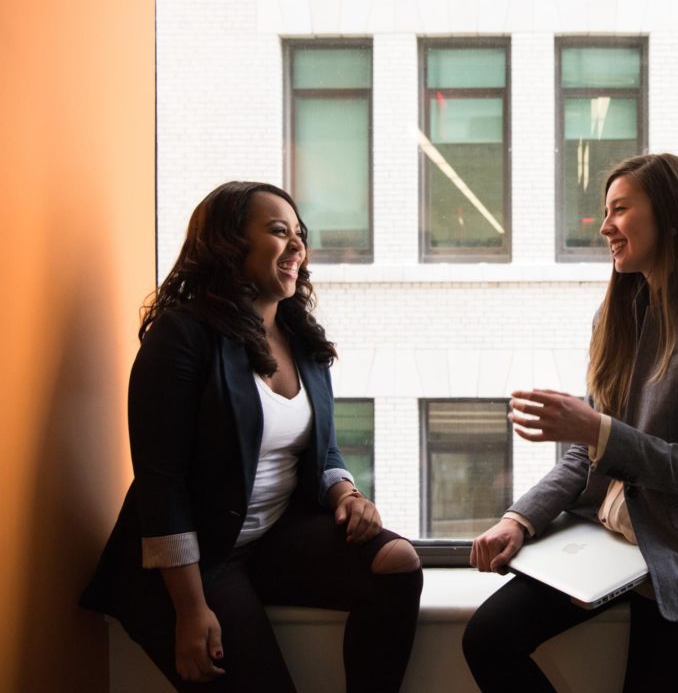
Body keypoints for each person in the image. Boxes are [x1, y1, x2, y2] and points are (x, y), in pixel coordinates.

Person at [80, 182, 422, 692]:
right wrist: (191, 610)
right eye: (279, 232)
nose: (297, 247)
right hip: (194, 563)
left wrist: (345, 492)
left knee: (398, 564)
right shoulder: (181, 336)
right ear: (228, 243)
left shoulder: (300, 337)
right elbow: (162, 483)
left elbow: (320, 447)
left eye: (300, 236)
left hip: (268, 538)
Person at [462, 153, 678, 693]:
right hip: (611, 541)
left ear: (671, 216)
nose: (604, 227)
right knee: (487, 638)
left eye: (620, 210)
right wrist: (519, 520)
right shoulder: (617, 315)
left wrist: (595, 430)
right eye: (606, 212)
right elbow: (586, 454)